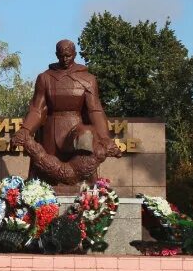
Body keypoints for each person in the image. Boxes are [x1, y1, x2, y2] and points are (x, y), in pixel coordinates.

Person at [11, 39, 121, 175]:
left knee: (86, 138)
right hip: (51, 129)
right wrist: (25, 130)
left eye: (68, 55)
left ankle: (88, 194)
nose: (65, 59)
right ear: (56, 55)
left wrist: (104, 138)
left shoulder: (88, 79)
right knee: (47, 175)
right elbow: (37, 109)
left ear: (75, 54)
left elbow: (95, 110)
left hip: (77, 128)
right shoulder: (45, 78)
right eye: (61, 56)